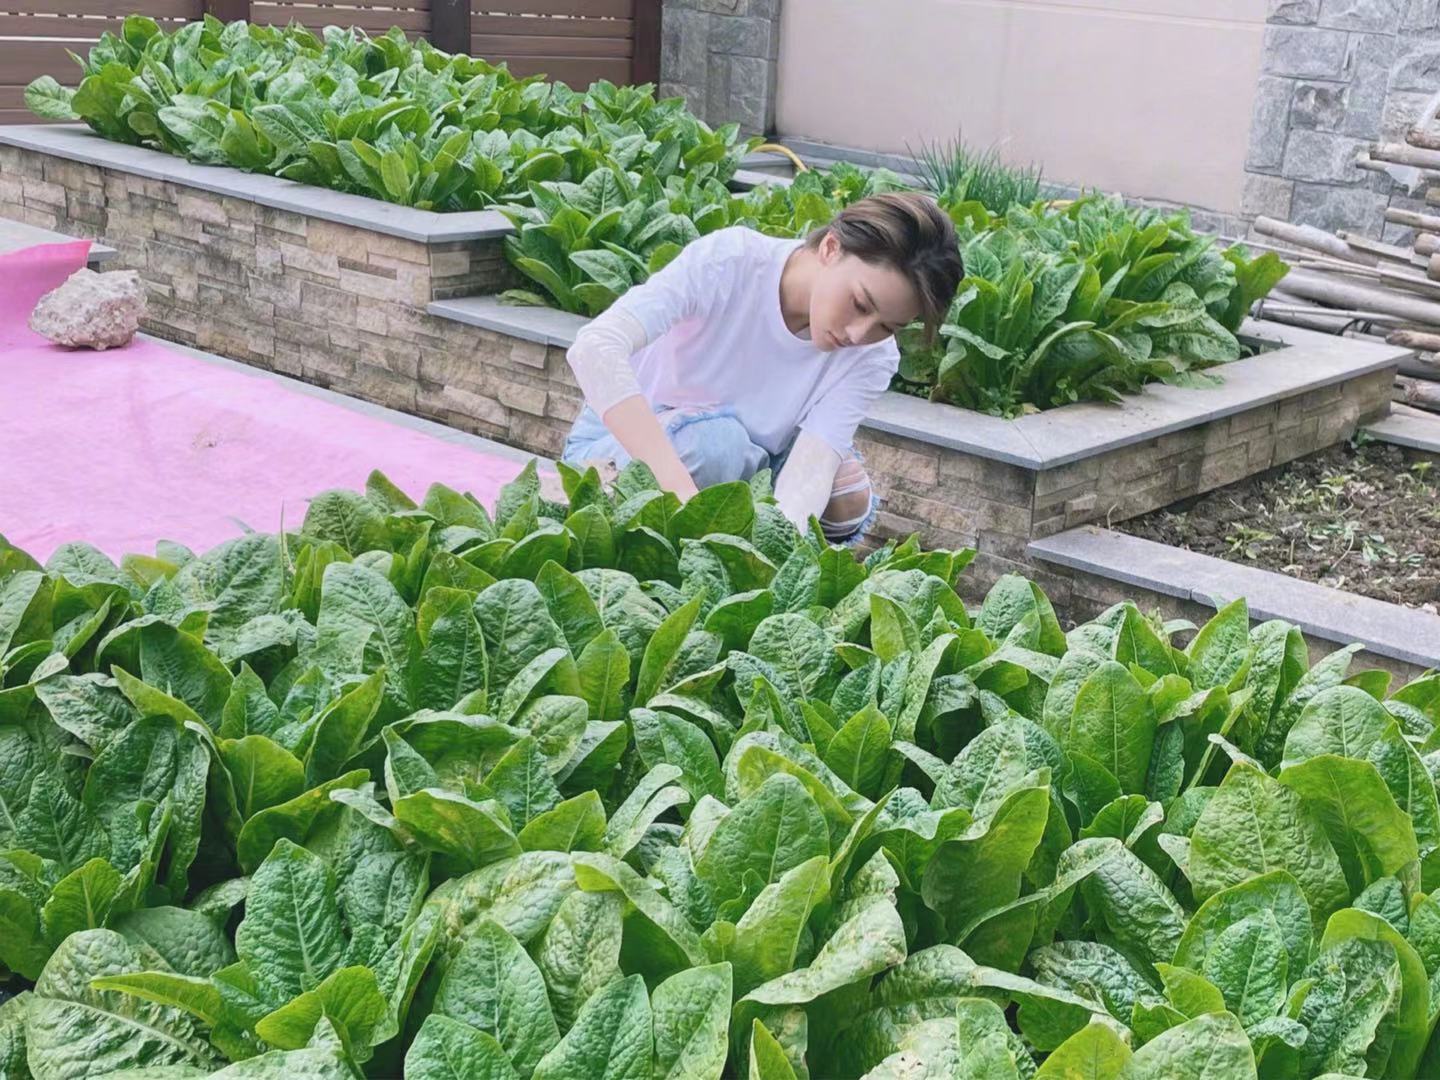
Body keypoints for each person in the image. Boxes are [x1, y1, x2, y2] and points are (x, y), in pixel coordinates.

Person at [561, 191, 964, 542]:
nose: (859, 334)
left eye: (887, 326)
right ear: (830, 248)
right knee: (718, 446)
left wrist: (770, 557)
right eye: (860, 304)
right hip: (637, 440)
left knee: (845, 496)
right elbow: (595, 348)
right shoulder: (732, 261)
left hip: (757, 453)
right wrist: (683, 496)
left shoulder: (874, 355)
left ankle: (731, 519)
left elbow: (815, 462)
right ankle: (616, 490)